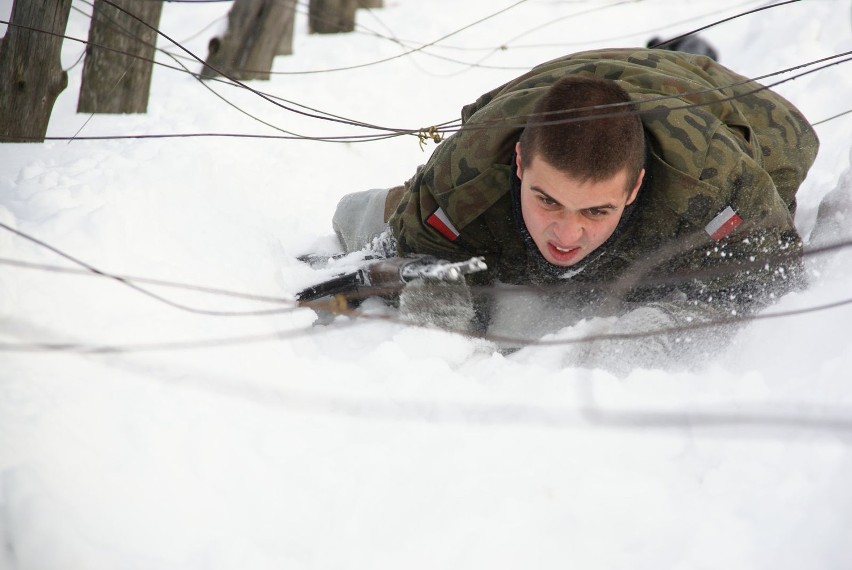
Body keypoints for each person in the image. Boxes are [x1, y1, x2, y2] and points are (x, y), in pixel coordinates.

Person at [330, 47, 819, 371]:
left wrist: (644, 336)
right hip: (548, 90)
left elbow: (767, 281)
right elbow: (427, 250)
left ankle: (686, 50)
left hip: (729, 108)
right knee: (387, 221)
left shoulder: (717, 189)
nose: (566, 233)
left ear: (635, 188)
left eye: (595, 212)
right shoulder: (469, 171)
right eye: (548, 200)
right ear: (520, 163)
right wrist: (439, 333)